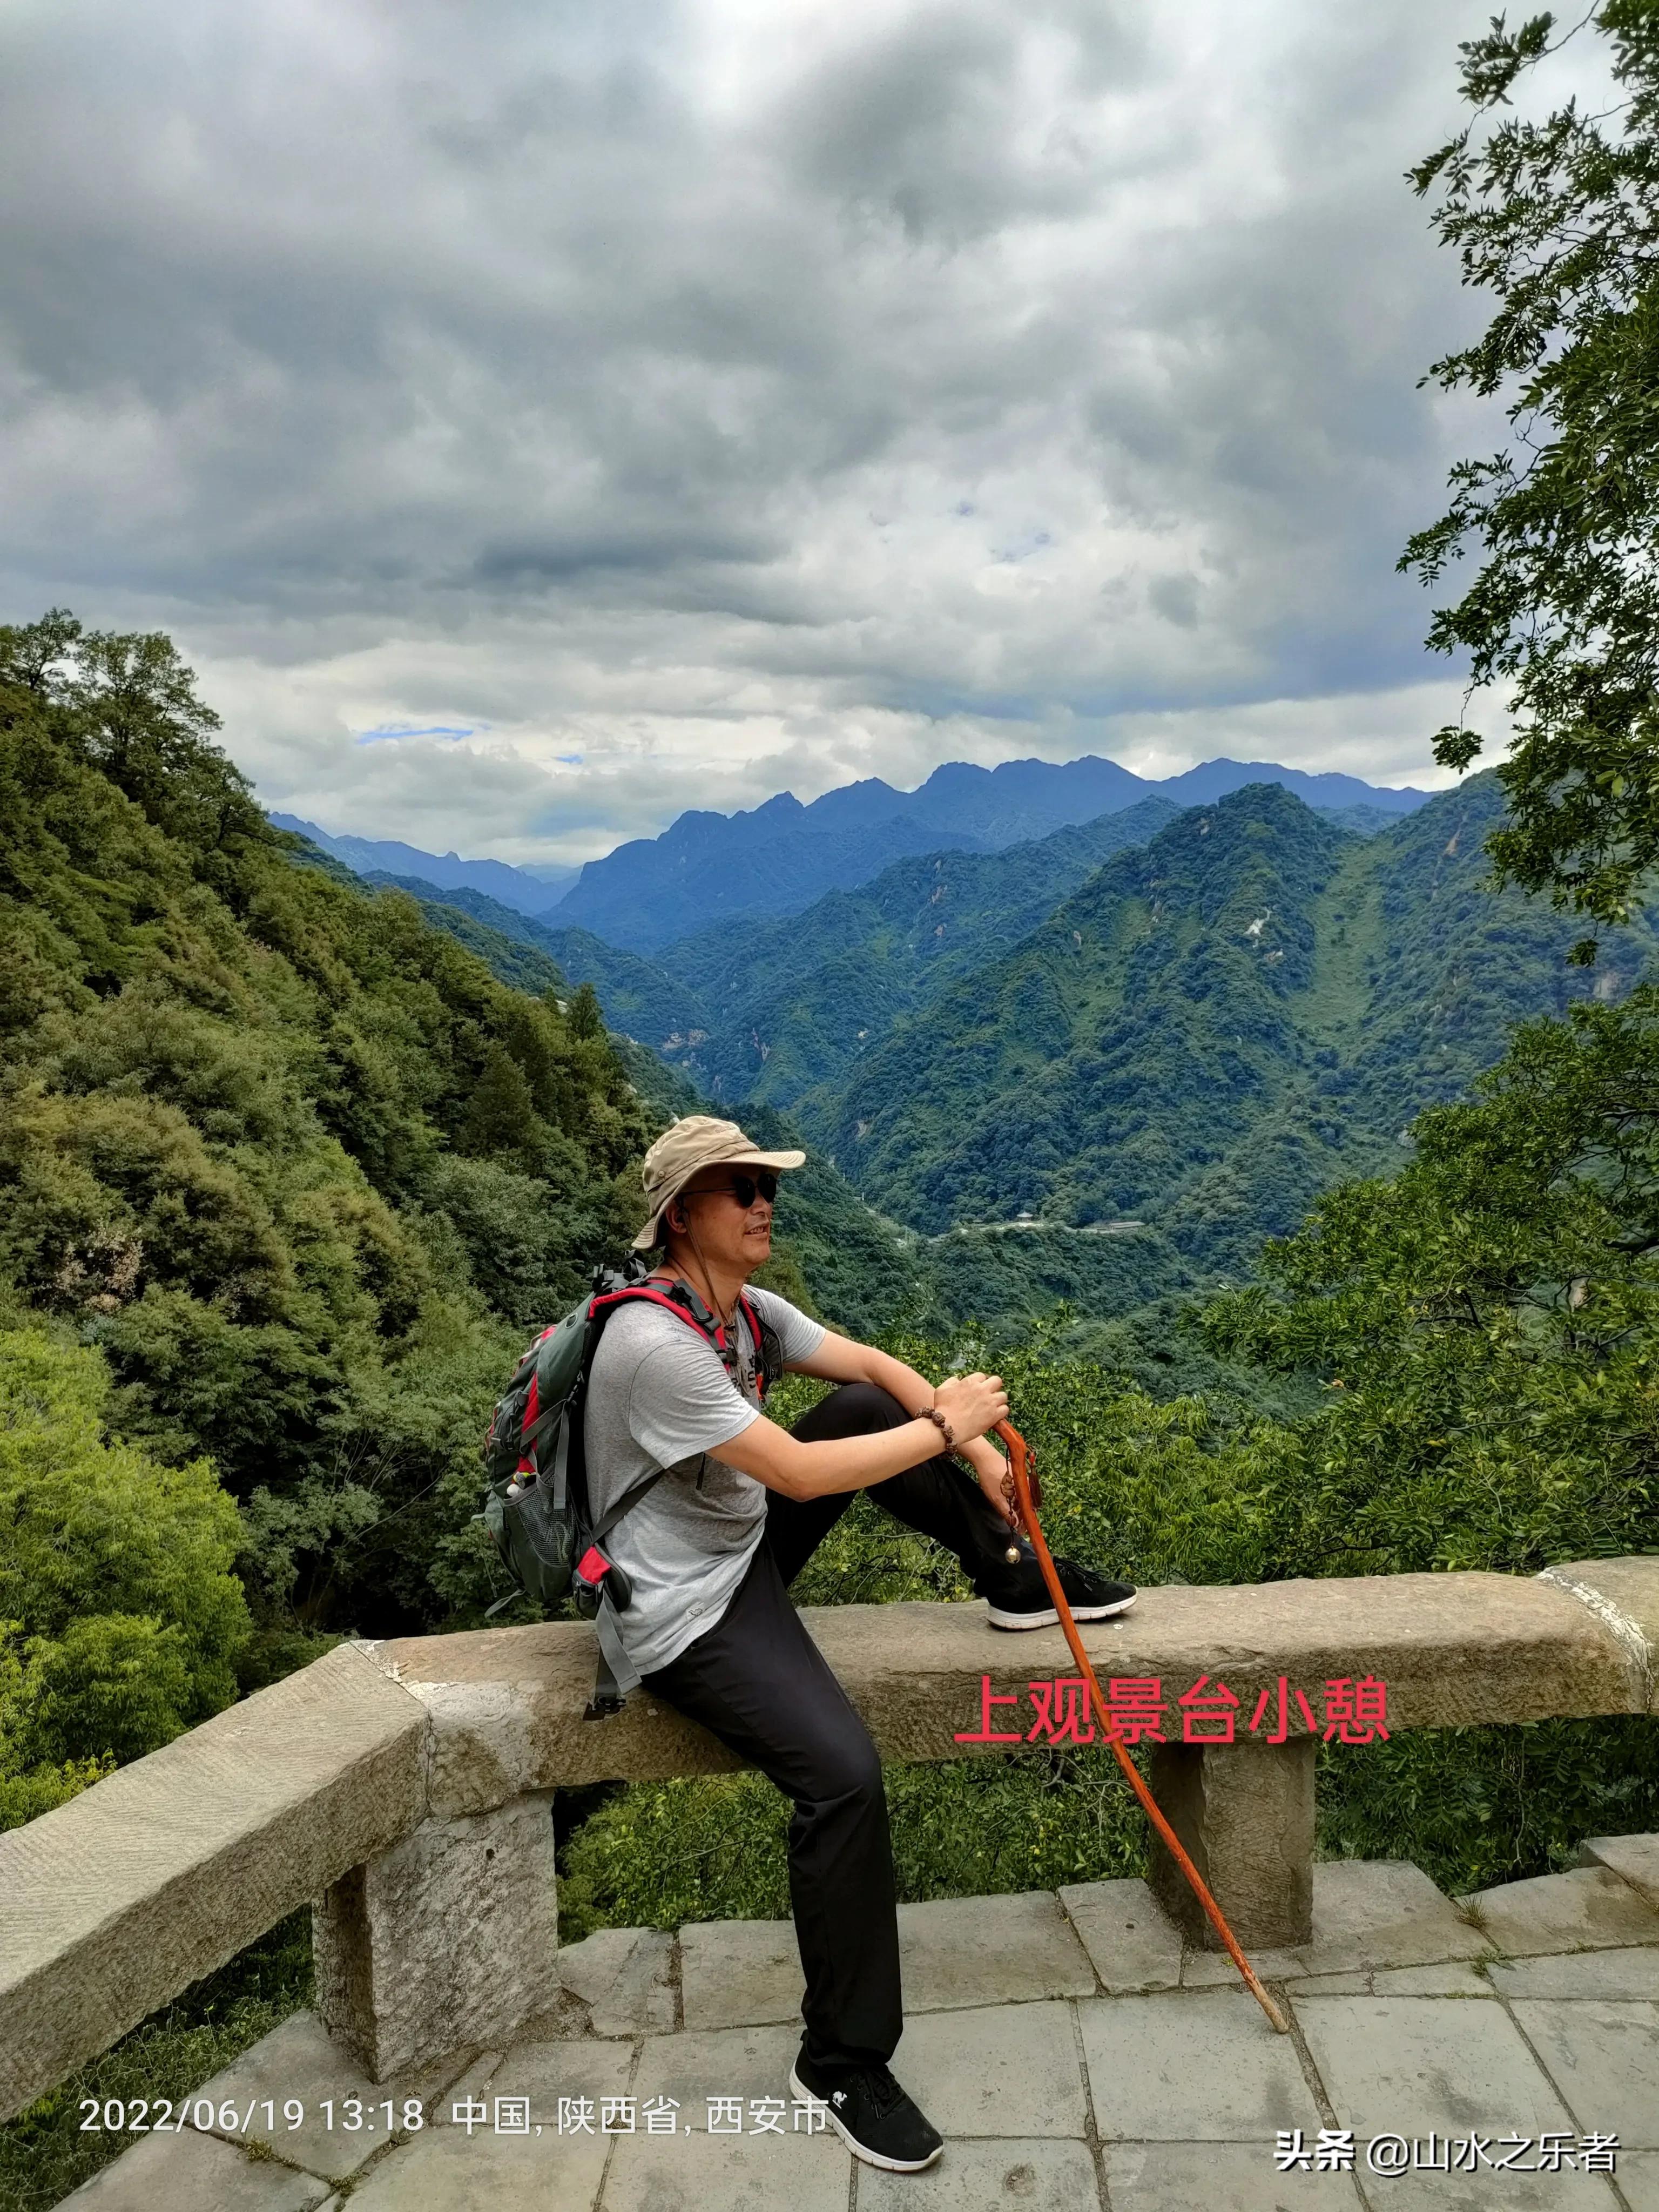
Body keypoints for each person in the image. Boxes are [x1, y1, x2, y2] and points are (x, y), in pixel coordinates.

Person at [582, 1115, 1136, 2174]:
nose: (763, 1202)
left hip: (735, 1545)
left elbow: (870, 1363)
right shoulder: (653, 1341)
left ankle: (1014, 1577)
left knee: (864, 1400)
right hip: (680, 1609)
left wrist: (964, 1440)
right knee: (843, 1774)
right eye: (738, 1186)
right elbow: (794, 1473)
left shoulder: (740, 1310)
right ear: (680, 1214)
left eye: (766, 1184)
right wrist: (945, 1425)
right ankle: (840, 2057)